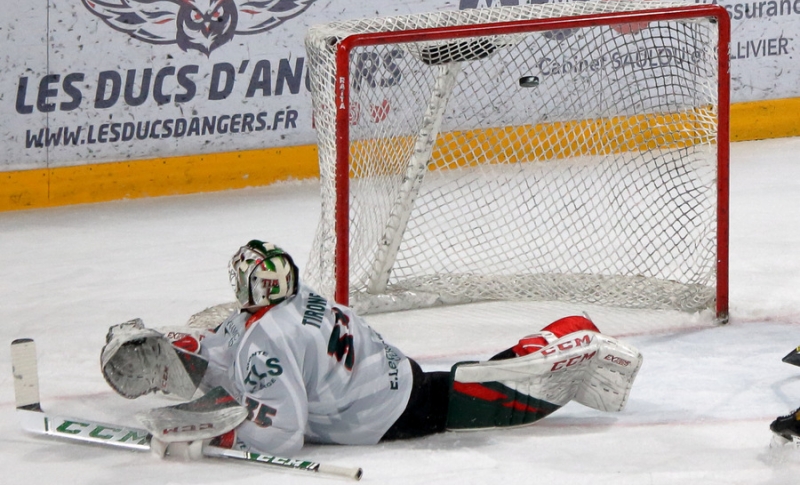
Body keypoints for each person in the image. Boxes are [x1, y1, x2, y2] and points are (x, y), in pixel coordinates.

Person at [100, 240, 643, 457]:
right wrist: (191, 347)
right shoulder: (298, 299)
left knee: (466, 400)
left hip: (380, 414)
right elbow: (242, 345)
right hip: (388, 372)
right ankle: (563, 329)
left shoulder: (266, 340)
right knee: (443, 389)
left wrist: (219, 432)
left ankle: (566, 345)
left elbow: (282, 437)